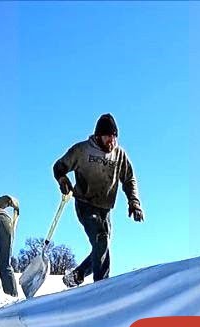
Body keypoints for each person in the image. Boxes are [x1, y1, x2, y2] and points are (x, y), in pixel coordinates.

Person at [52, 113, 143, 287]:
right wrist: (62, 180)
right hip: (85, 204)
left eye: (114, 137)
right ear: (98, 135)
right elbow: (59, 167)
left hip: (105, 208)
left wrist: (134, 202)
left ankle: (78, 275)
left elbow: (129, 179)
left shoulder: (119, 155)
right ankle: (101, 288)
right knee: (101, 239)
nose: (112, 141)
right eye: (108, 136)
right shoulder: (82, 150)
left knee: (103, 246)